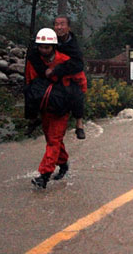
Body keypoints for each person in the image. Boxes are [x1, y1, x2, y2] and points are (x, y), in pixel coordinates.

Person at [25, 28, 87, 189]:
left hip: (62, 105)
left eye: (47, 47)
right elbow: (30, 80)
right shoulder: (35, 61)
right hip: (45, 104)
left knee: (54, 139)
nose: (43, 50)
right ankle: (63, 162)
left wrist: (78, 102)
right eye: (41, 47)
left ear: (53, 46)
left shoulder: (65, 60)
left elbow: (80, 80)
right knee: (51, 138)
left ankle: (44, 175)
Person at [26, 15, 86, 139]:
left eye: (62, 24)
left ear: (69, 27)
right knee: (30, 90)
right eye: (57, 24)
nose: (59, 27)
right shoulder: (47, 38)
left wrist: (57, 70)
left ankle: (79, 123)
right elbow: (33, 55)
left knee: (76, 93)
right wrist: (45, 71)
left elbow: (78, 64)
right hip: (45, 75)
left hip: (67, 75)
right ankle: (33, 119)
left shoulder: (72, 45)